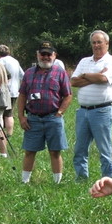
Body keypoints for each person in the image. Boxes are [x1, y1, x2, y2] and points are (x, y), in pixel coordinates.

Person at [17, 42, 73, 184]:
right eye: (43, 54)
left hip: (53, 117)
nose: (46, 57)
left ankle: (57, 182)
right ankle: (25, 181)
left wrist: (60, 112)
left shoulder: (60, 73)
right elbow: (22, 95)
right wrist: (21, 117)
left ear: (54, 56)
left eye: (49, 54)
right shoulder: (29, 73)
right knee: (29, 151)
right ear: (38, 55)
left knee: (55, 151)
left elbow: (68, 95)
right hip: (33, 119)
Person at [71, 30, 112, 179]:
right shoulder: (84, 61)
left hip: (102, 111)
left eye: (99, 42)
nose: (96, 45)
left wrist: (84, 75)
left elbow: (104, 79)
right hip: (83, 111)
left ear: (107, 43)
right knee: (80, 149)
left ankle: (107, 179)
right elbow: (73, 81)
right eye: (94, 42)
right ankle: (81, 178)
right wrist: (95, 76)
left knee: (104, 149)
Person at [0, 44, 23, 137]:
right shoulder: (15, 61)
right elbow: (22, 75)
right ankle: (8, 133)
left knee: (5, 113)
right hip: (15, 90)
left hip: (5, 90)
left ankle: (7, 133)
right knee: (9, 112)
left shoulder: (0, 61)